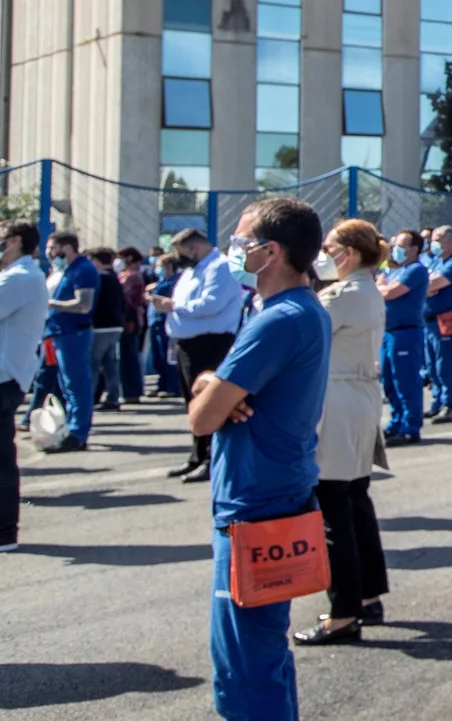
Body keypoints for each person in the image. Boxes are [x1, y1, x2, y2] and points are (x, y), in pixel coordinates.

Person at [186, 198, 331, 719]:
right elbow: (214, 389)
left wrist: (211, 393)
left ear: (271, 252)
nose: (233, 252)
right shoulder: (276, 310)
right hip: (268, 494)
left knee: (244, 669)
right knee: (263, 658)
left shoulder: (282, 318)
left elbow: (202, 419)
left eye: (241, 243)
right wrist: (212, 387)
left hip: (255, 504)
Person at [297, 219, 390, 646]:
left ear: (348, 252)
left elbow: (301, 329)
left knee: (334, 507)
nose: (324, 255)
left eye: (330, 247)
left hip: (338, 399)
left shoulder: (342, 295)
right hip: (357, 396)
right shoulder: (363, 290)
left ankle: (343, 611)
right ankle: (367, 597)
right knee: (354, 502)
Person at [153, 228, 247, 478]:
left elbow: (210, 304)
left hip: (210, 344)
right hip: (188, 344)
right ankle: (197, 455)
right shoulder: (192, 270)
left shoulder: (220, 267)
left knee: (211, 402)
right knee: (193, 403)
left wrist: (172, 306)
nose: (179, 258)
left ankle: (211, 459)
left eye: (181, 253)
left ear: (194, 248)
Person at [0, 221, 51, 551]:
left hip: (4, 376)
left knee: (2, 459)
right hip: (9, 375)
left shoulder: (18, 278)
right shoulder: (19, 275)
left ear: (15, 241)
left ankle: (5, 532)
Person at [43, 232, 99, 453]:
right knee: (67, 385)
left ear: (66, 248)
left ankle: (77, 433)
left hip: (73, 333)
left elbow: (83, 305)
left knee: (77, 384)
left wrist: (50, 304)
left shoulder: (83, 270)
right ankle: (72, 428)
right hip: (60, 333)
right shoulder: (67, 270)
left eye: (52, 248)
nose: (49, 253)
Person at [376, 230, 431, 446]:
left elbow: (390, 293)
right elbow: (381, 285)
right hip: (389, 332)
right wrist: (382, 286)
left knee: (405, 381)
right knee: (389, 381)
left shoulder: (416, 270)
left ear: (414, 249)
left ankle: (410, 427)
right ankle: (396, 422)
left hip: (406, 332)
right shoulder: (396, 270)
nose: (395, 248)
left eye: (400, 245)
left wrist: (382, 287)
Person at [422, 226, 452, 423]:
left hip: (447, 319)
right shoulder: (436, 261)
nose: (434, 244)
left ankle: (449, 404)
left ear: (451, 242)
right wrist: (428, 287)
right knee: (431, 364)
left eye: (439, 240)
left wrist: (429, 287)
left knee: (445, 364)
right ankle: (437, 401)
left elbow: (431, 285)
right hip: (430, 321)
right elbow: (425, 283)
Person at [84, 248, 127, 412]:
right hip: (115, 326)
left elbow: (93, 302)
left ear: (96, 260)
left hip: (100, 327)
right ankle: (113, 397)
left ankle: (89, 398)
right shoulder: (115, 277)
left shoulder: (99, 277)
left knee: (93, 364)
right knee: (110, 365)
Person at [147, 254, 184, 397]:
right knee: (158, 356)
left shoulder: (174, 282)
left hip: (165, 322)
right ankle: (162, 384)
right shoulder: (162, 281)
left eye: (160, 266)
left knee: (167, 355)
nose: (158, 269)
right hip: (155, 322)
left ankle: (172, 387)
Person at [116, 248, 149, 405]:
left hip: (130, 320)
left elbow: (126, 299)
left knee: (128, 356)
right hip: (131, 319)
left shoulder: (132, 277)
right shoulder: (127, 275)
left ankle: (131, 392)